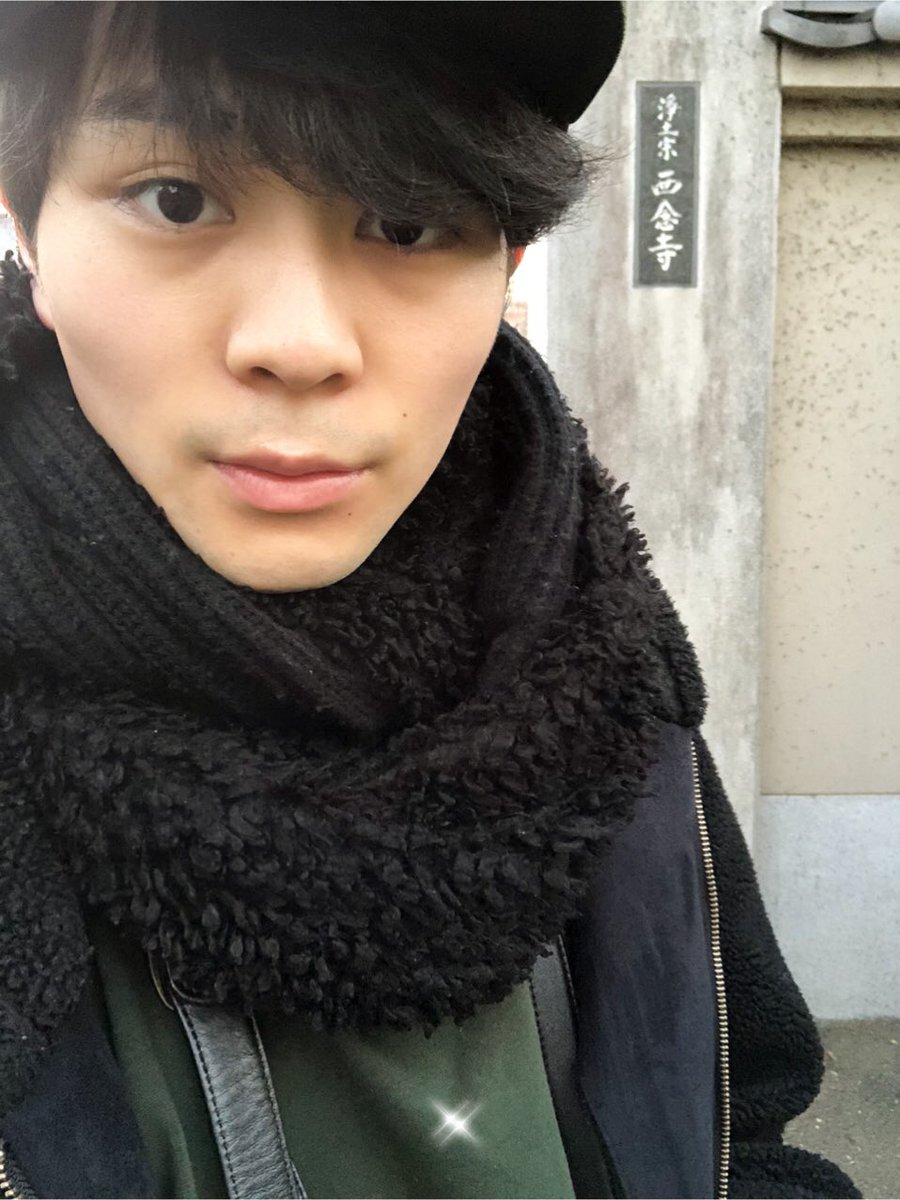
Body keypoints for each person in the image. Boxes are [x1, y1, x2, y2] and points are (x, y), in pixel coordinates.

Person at [0, 4, 860, 1199]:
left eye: (405, 222)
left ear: (508, 265)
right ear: (30, 227)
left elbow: (740, 1130)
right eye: (177, 200)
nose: (300, 344)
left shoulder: (598, 642)